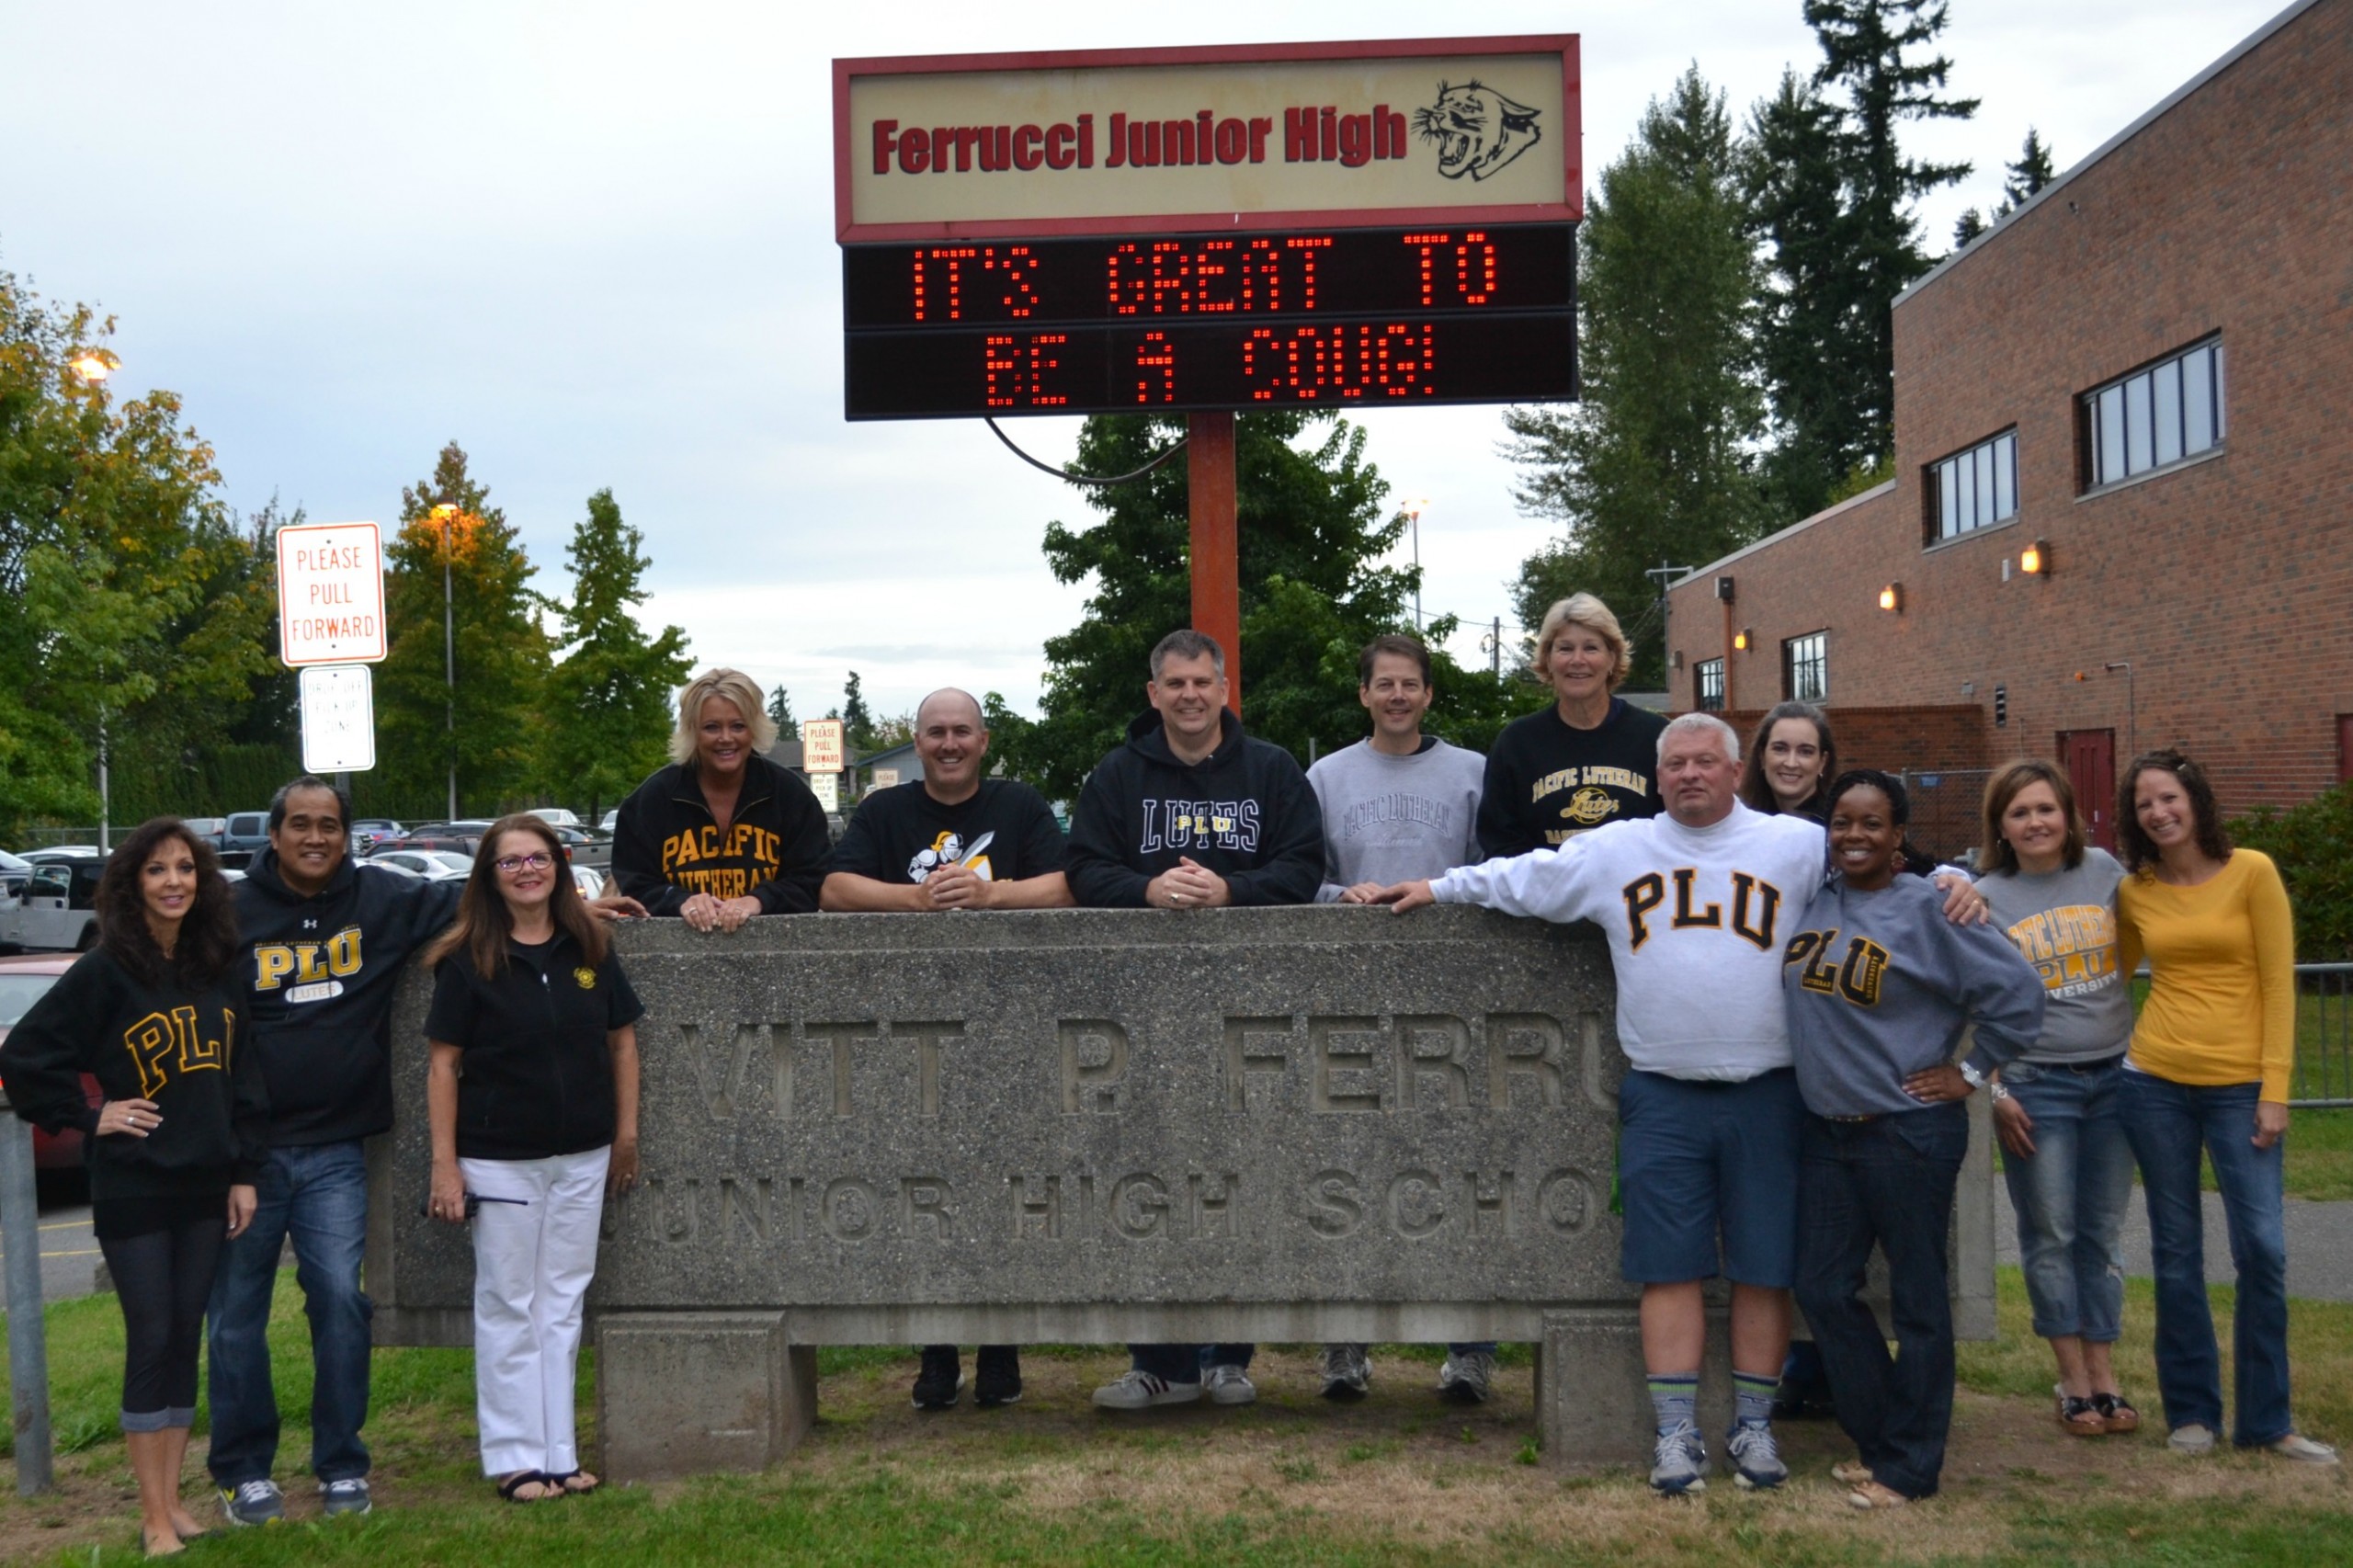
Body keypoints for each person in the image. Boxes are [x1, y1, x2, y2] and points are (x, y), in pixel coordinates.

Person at [1373, 716, 1985, 1495]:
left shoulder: (1792, 844)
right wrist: (1436, 885)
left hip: (1771, 1091)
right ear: (1657, 777)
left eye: (1706, 761)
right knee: (1668, 1268)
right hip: (1662, 1090)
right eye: (1676, 765)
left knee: (1765, 1268)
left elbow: (1883, 869)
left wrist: (1950, 882)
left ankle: (1755, 1430)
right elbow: (1523, 876)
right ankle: (1675, 1436)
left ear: (1736, 772)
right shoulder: (1617, 849)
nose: (1691, 774)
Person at [208, 777, 643, 1527]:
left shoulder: (381, 900)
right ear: (273, 835)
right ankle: (247, 1471)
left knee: (347, 1306)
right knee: (239, 1315)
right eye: (301, 825)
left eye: (330, 826)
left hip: (341, 1143)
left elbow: (482, 904)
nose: (316, 838)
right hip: (251, 1151)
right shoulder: (232, 917)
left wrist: (581, 902)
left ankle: (350, 1466)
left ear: (348, 837)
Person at [1065, 629, 1322, 1410]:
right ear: (1154, 694)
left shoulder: (1272, 770)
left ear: (1222, 687)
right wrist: (1145, 892)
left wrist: (1231, 893)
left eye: (1201, 682)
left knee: (1239, 1168)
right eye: (1173, 684)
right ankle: (1162, 1363)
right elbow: (1082, 867)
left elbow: (1305, 866)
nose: (1188, 696)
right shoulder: (1116, 775)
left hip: (1250, 1008)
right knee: (1148, 1173)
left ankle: (1229, 1356)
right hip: (1141, 1009)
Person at [2, 819, 267, 1555]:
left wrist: (244, 1171)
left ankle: (175, 1502)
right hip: (135, 1186)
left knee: (185, 1337)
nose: (175, 881)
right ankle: (151, 1516)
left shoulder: (216, 966)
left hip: (208, 1182)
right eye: (157, 871)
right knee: (151, 1337)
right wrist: (91, 1115)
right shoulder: (105, 969)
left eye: (186, 868)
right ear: (132, 885)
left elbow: (244, 1075)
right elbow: (26, 1056)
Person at [1781, 770, 2045, 1509]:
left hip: (1908, 1134)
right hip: (1827, 1132)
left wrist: (1970, 1071)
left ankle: (1910, 1466)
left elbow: (2021, 997)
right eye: (1842, 822)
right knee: (1824, 1288)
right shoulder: (1816, 900)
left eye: (1872, 823)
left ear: (1900, 835)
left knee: (1923, 1303)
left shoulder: (1934, 907)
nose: (1854, 836)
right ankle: (1884, 1442)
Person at [822, 687, 1072, 1411]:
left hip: (1013, 1022)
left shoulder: (1020, 807)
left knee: (1006, 1182)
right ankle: (935, 1351)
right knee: (924, 1187)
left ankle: (1000, 1348)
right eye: (936, 732)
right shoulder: (883, 812)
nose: (949, 743)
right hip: (912, 1029)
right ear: (920, 742)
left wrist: (990, 896)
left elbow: (1067, 887)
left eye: (962, 731)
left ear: (984, 740)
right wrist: (920, 898)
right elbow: (834, 889)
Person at [2112, 749, 2336, 1463]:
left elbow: (2279, 984)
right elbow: (2105, 977)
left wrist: (2276, 1090)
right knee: (2176, 1254)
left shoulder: (2254, 872)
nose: (2159, 811)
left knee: (2263, 1250)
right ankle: (2192, 1414)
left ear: (2196, 801)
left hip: (2243, 1090)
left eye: (2169, 797)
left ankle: (2268, 1420)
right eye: (2145, 803)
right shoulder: (2136, 892)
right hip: (2154, 1083)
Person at [426, 814, 644, 1503]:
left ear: (559, 863)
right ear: (490, 877)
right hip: (499, 1162)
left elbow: (622, 1045)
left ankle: (559, 1452)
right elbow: (442, 1066)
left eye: (538, 858)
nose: (527, 871)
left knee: (562, 1304)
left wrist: (625, 1136)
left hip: (583, 1155)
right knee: (508, 1305)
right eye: (510, 862)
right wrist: (444, 1165)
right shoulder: (467, 961)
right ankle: (514, 1458)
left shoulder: (591, 948)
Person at [1304, 633, 1495, 1404]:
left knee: (1459, 1167)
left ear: (1428, 694)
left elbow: (1495, 872)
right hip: (1349, 992)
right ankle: (1345, 1347)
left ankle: (1471, 1349)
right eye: (1383, 684)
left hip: (1451, 991)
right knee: (1346, 1168)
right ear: (1363, 695)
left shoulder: (1474, 773)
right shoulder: (1324, 777)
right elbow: (1303, 876)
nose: (1396, 696)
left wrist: (1443, 892)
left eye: (1410, 684)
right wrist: (1335, 899)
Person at [1973, 760, 2140, 1437]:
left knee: (2101, 1235)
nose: (2035, 822)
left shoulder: (2105, 873)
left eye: (2046, 809)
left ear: (2068, 815)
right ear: (2001, 828)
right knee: (2051, 1234)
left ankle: (2105, 1373)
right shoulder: (1983, 896)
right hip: (2037, 1085)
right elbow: (1968, 1005)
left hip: (2115, 1079)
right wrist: (1995, 1090)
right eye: (2020, 813)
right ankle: (2070, 1379)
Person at [611, 666, 832, 930]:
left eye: (738, 726)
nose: (726, 738)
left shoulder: (791, 795)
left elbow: (814, 879)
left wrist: (758, 900)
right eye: (711, 727)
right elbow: (635, 884)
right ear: (692, 731)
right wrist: (680, 901)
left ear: (754, 728)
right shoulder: (651, 800)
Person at [1474, 593, 1665, 858]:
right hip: (1546, 896)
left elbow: (1680, 828)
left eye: (1591, 648)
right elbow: (1499, 840)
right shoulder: (1517, 743)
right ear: (1548, 660)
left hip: (1637, 895)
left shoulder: (1657, 738)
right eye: (1565, 648)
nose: (1577, 660)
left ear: (1612, 658)